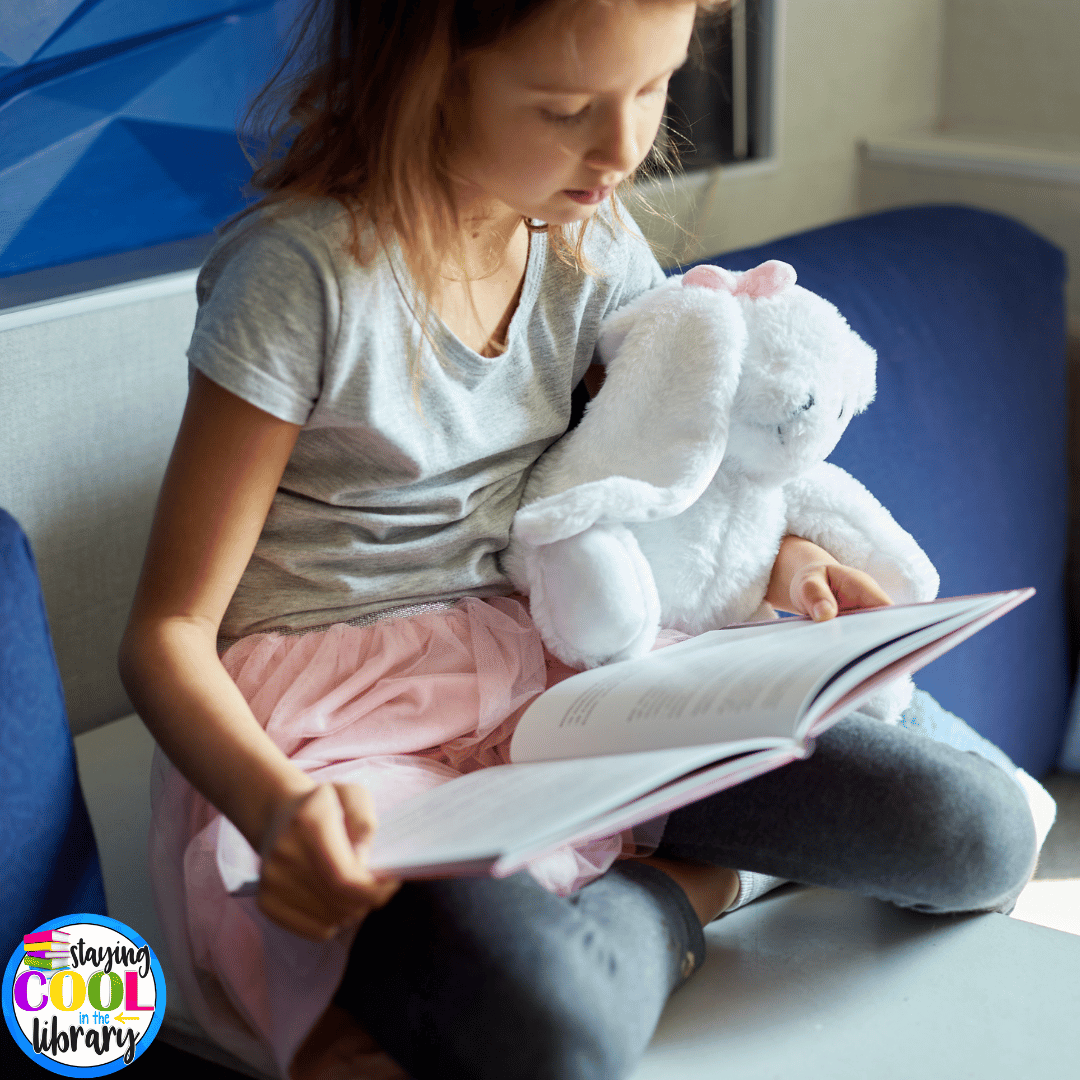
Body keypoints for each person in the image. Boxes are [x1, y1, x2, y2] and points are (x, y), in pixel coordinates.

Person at [118, 2, 1040, 1078]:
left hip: (559, 684)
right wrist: (278, 816)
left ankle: (648, 896)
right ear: (431, 74)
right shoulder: (303, 277)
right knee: (546, 1030)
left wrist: (788, 560)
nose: (621, 149)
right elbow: (167, 632)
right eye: (565, 110)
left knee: (973, 832)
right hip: (346, 733)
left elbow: (664, 467)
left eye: (653, 89)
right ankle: (681, 891)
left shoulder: (586, 238)